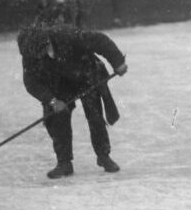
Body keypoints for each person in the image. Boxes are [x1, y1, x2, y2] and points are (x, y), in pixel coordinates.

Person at [17, 23, 128, 179]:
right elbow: (31, 83)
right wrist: (52, 101)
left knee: (95, 115)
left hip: (86, 74)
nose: (38, 57)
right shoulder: (30, 52)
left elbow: (100, 40)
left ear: (46, 42)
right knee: (57, 119)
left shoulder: (66, 36)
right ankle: (64, 163)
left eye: (40, 53)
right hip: (59, 83)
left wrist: (118, 62)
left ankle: (103, 156)